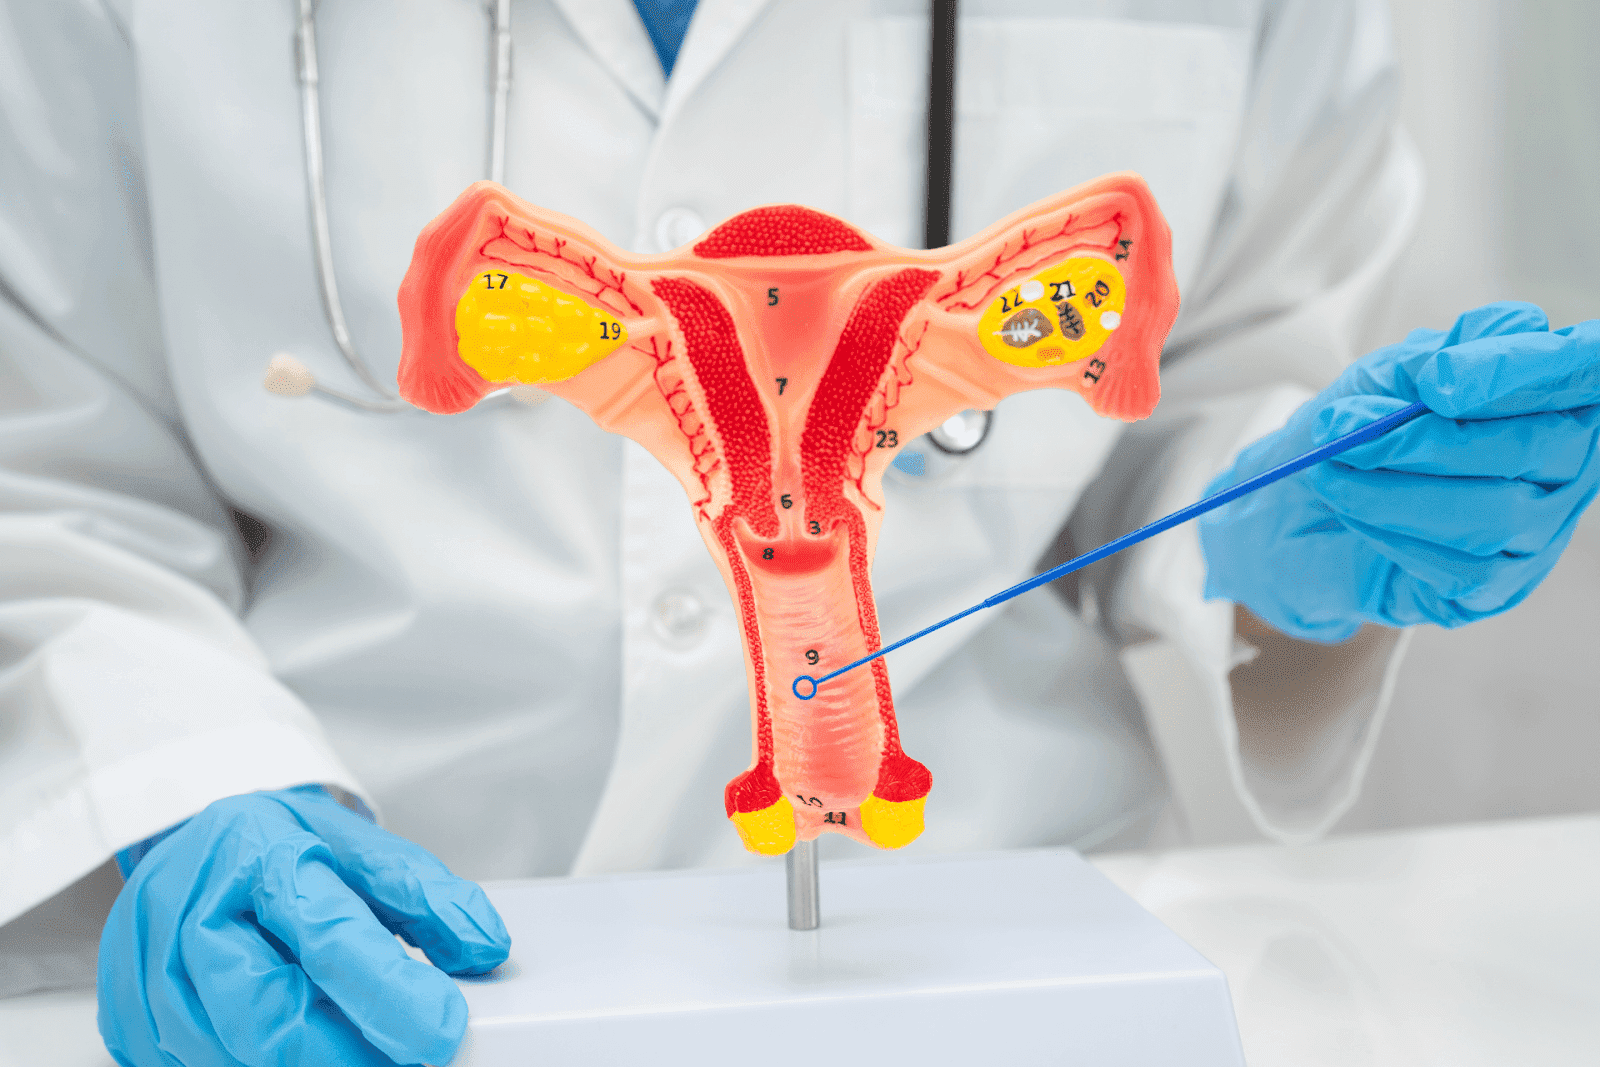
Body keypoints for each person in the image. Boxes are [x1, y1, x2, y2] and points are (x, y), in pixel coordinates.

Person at [1, 1, 1594, 1064]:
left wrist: (1278, 503)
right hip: (370, 964)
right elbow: (46, 449)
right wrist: (186, 776)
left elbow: (1210, 374)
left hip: (996, 959)